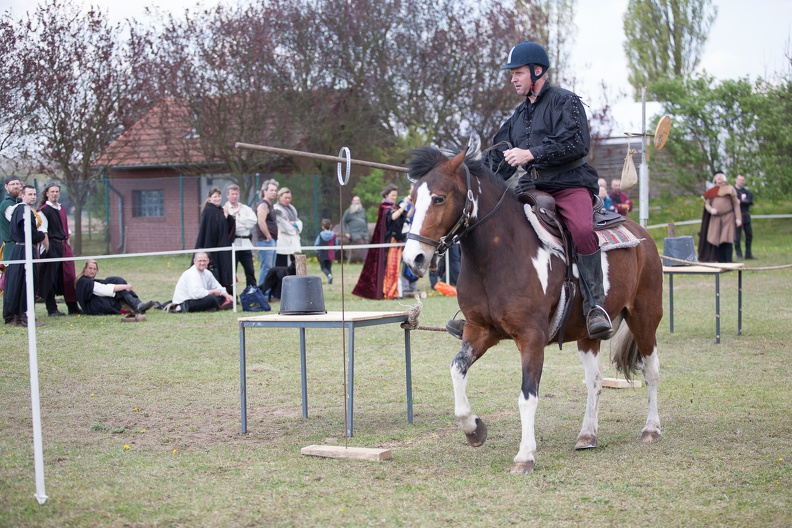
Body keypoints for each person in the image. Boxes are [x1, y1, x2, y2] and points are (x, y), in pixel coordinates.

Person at [461, 40, 612, 339]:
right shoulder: (517, 116)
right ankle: (478, 313)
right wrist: (464, 174)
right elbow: (499, 160)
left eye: (517, 73)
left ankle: (596, 306)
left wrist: (531, 154)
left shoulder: (566, 102)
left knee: (582, 230)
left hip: (569, 185)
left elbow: (576, 145)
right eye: (512, 74)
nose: (513, 79)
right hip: (532, 186)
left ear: (537, 70)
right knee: (497, 225)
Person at [352, 183, 410, 300]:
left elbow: (405, 216)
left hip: (397, 239)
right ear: (387, 195)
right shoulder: (384, 207)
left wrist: (411, 206)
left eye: (395, 195)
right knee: (390, 267)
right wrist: (404, 205)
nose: (394, 197)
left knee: (394, 268)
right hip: (389, 241)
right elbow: (393, 217)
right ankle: (389, 291)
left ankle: (393, 291)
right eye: (392, 195)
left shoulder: (394, 206)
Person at [3, 185, 46, 326]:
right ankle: (24, 317)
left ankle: (20, 316)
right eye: (30, 194)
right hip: (24, 250)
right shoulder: (23, 209)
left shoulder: (21, 210)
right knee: (25, 283)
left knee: (21, 283)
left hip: (22, 250)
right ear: (22, 195)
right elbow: (29, 233)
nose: (33, 197)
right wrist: (41, 235)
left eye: (34, 194)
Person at [37, 182, 82, 316]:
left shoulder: (61, 208)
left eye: (57, 191)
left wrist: (67, 245)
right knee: (50, 278)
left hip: (63, 246)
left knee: (69, 276)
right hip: (52, 246)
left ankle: (72, 307)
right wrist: (48, 249)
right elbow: (43, 232)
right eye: (52, 191)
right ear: (47, 193)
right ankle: (52, 309)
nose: (55, 194)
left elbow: (65, 229)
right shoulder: (43, 210)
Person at [75, 259, 156, 315]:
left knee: (115, 280)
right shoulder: (84, 282)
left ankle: (137, 305)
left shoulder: (86, 281)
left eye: (94, 269)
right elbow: (104, 290)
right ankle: (137, 306)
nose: (92, 271)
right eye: (90, 268)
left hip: (96, 304)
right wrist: (125, 286)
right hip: (96, 307)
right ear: (84, 269)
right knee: (118, 286)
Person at [195, 187, 234, 294]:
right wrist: (225, 216)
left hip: (221, 246)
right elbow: (216, 227)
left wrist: (227, 217)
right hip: (213, 246)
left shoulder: (219, 210)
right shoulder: (209, 210)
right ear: (209, 198)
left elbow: (226, 226)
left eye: (219, 196)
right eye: (215, 196)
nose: (217, 199)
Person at [167, 252, 234, 313]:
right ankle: (216, 307)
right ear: (194, 261)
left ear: (208, 261)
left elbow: (217, 286)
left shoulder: (207, 273)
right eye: (200, 261)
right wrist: (212, 292)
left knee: (222, 297)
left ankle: (214, 306)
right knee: (211, 298)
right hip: (185, 303)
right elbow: (196, 294)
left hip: (197, 299)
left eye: (204, 261)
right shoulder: (192, 273)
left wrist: (227, 295)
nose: (202, 263)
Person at [701, 171, 741, 263]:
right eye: (717, 177)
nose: (719, 179)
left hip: (728, 217)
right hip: (715, 218)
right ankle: (720, 261)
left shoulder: (730, 188)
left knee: (726, 239)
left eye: (720, 177)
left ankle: (728, 261)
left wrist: (738, 218)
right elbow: (707, 204)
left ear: (724, 178)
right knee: (716, 240)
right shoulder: (712, 190)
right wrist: (711, 210)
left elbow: (735, 204)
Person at [224, 184, 258, 288]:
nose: (234, 196)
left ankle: (252, 294)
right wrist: (240, 224)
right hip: (233, 244)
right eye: (232, 194)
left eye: (236, 194)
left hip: (246, 244)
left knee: (250, 271)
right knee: (231, 272)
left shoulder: (246, 209)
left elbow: (253, 221)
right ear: (227, 195)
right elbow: (233, 227)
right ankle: (232, 296)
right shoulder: (225, 209)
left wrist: (239, 220)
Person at [255, 179, 279, 288]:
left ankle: (268, 292)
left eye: (275, 190)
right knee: (266, 267)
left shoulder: (270, 205)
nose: (273, 192)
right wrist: (268, 236)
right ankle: (261, 292)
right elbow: (261, 221)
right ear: (264, 191)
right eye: (271, 190)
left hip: (272, 240)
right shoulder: (263, 205)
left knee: (271, 268)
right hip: (266, 241)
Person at [273, 187, 302, 268]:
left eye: (289, 198)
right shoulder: (276, 209)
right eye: (285, 197)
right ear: (279, 197)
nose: (288, 200)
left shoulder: (292, 208)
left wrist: (295, 224)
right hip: (283, 243)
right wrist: (295, 226)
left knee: (295, 267)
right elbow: (285, 227)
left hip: (293, 243)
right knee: (282, 267)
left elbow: (299, 223)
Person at [1, 175, 23, 268]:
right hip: (12, 249)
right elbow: (21, 222)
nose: (15, 186)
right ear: (6, 187)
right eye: (12, 184)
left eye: (17, 184)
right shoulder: (7, 204)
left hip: (22, 248)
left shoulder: (19, 202)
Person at [341, 195, 368, 264]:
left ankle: (368, 260)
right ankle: (366, 261)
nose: (356, 202)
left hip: (364, 233)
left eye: (358, 200)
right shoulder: (348, 212)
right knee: (362, 245)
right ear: (352, 202)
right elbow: (343, 222)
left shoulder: (363, 211)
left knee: (367, 245)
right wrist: (346, 232)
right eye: (355, 200)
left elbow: (366, 221)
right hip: (355, 234)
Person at [734, 174, 755, 259]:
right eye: (739, 179)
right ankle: (739, 255)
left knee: (749, 235)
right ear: (736, 180)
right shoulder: (732, 191)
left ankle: (748, 254)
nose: (741, 181)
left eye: (742, 180)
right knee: (737, 237)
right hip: (736, 217)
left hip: (746, 216)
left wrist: (741, 202)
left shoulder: (746, 192)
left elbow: (750, 201)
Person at [314, 218, 338, 284]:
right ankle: (330, 280)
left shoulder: (320, 235)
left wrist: (317, 252)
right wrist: (333, 251)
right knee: (329, 268)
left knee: (323, 268)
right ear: (330, 226)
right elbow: (336, 244)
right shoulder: (334, 235)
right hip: (331, 254)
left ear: (322, 227)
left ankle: (329, 276)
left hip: (322, 254)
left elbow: (316, 244)